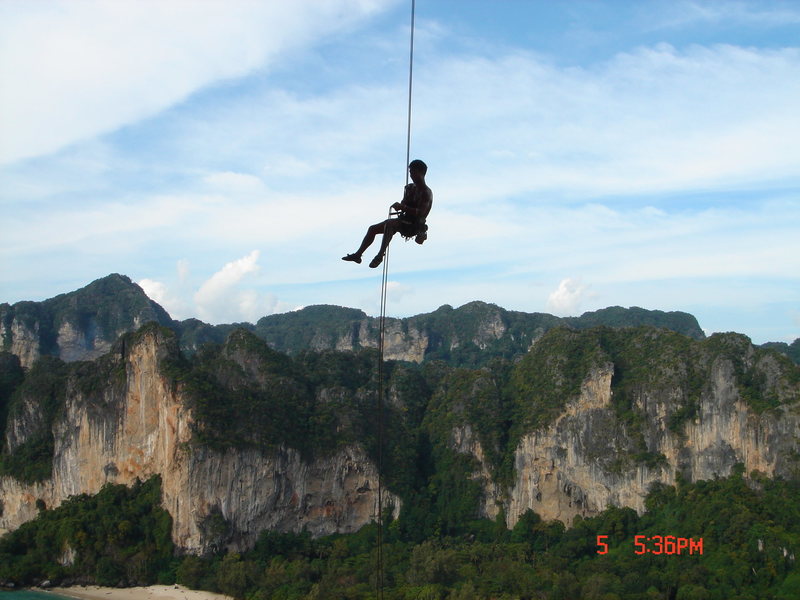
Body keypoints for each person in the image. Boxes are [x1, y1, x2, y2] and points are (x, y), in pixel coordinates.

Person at [342, 159, 433, 268]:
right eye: (410, 172)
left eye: (413, 172)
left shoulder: (426, 192)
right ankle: (358, 255)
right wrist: (401, 204)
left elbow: (421, 213)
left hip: (414, 226)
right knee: (373, 229)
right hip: (403, 221)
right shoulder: (409, 188)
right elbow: (404, 203)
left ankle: (380, 255)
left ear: (421, 173)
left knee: (390, 224)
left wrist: (403, 207)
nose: (411, 175)